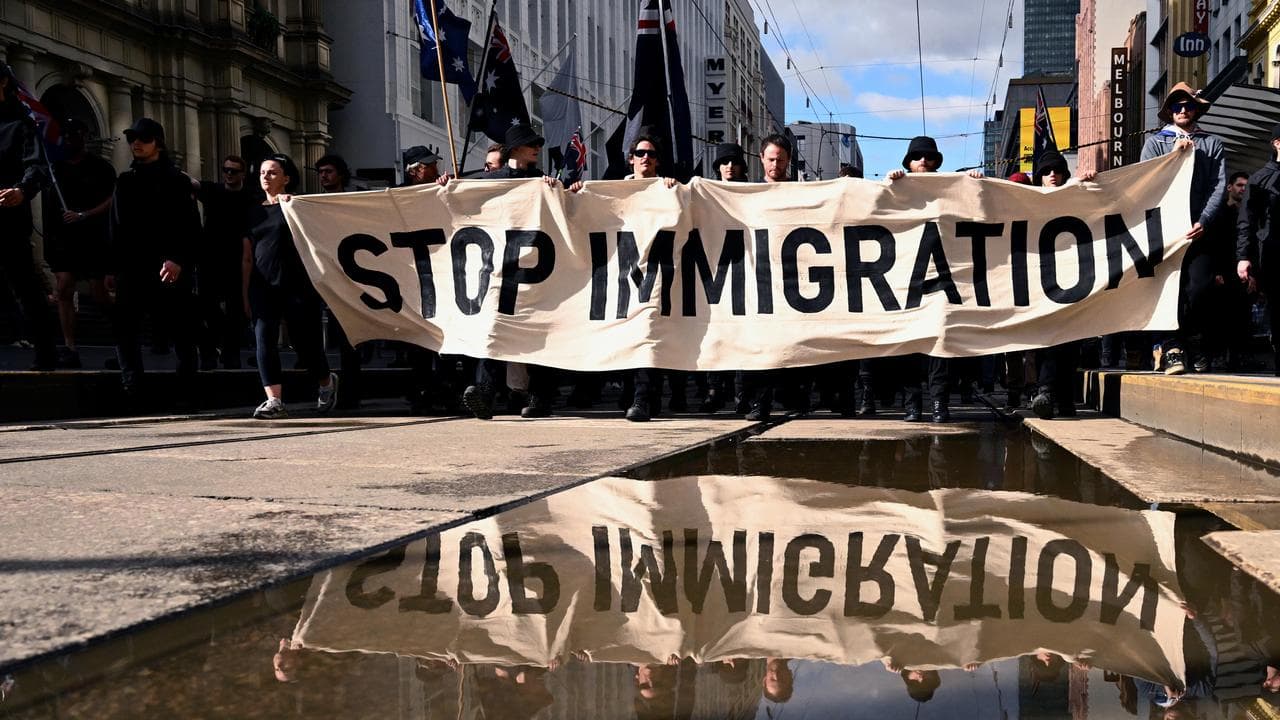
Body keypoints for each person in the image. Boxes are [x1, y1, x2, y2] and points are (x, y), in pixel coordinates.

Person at [456, 123, 566, 419]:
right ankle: (485, 392)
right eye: (531, 144)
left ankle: (540, 397)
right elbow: (459, 196)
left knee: (539, 333)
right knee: (493, 328)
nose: (537, 148)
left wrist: (568, 191)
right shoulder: (491, 180)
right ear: (515, 149)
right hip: (501, 271)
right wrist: (446, 185)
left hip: (538, 270)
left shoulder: (543, 182)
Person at [108, 117, 200, 403]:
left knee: (181, 330)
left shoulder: (176, 180)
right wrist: (111, 267)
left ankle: (187, 390)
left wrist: (178, 260)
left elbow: (191, 227)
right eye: (132, 138)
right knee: (125, 328)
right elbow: (116, 226)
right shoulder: (126, 181)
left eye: (143, 139)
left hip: (169, 268)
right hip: (132, 267)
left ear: (157, 143)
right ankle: (132, 387)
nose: (136, 143)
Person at [1141, 82, 1228, 375]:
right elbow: (1144, 182)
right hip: (1167, 232)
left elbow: (1219, 185)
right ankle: (1171, 348)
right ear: (1169, 112)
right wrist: (1172, 158)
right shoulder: (1156, 143)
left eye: (1187, 105)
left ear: (1195, 109)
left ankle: (1196, 341)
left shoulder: (1212, 143)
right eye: (1177, 106)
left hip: (1200, 231)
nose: (1182, 110)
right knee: (1169, 290)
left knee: (1200, 288)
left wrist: (1204, 220)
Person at [243, 153, 337, 419]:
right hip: (263, 286)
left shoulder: (298, 206)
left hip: (297, 285)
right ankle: (274, 400)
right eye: (262, 172)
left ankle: (326, 382)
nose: (266, 177)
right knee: (264, 340)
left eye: (272, 172)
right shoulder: (253, 212)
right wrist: (245, 293)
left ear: (286, 178)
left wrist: (294, 207)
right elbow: (247, 255)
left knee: (305, 344)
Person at [886, 135, 954, 422]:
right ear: (908, 163)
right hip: (906, 280)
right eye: (917, 157)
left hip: (940, 281)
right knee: (910, 346)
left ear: (936, 162)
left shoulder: (952, 188)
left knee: (940, 345)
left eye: (928, 157)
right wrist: (890, 185)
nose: (922, 161)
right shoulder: (898, 189)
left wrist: (977, 181)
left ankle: (939, 403)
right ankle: (912, 404)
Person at [43, 117, 115, 369]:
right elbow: (50, 206)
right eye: (67, 134)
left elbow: (112, 200)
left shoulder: (101, 168)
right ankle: (70, 347)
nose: (71, 139)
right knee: (63, 288)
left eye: (76, 134)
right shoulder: (56, 168)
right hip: (64, 240)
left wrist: (85, 214)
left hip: (93, 238)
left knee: (99, 294)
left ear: (85, 137)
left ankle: (122, 337)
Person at [619, 134, 680, 422]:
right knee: (628, 337)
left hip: (656, 274)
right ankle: (641, 395)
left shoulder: (666, 188)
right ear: (631, 158)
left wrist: (674, 190)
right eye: (641, 153)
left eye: (652, 154)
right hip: (622, 274)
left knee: (648, 333)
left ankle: (642, 398)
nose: (646, 158)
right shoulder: (614, 189)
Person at [0, 65, 57, 370]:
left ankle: (46, 354)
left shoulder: (21, 124)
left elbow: (37, 167)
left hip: (8, 220)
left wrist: (22, 190)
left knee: (25, 289)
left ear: (4, 82)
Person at [1028, 150, 1090, 419]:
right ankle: (1047, 392)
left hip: (1073, 279)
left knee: (1070, 341)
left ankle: (1062, 397)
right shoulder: (1026, 202)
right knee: (1047, 338)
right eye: (1046, 171)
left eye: (1057, 170)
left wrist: (1090, 183)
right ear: (1039, 176)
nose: (1052, 175)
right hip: (1040, 282)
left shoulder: (1076, 197)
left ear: (1065, 173)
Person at [192, 154, 257, 370]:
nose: (229, 174)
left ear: (242, 173)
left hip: (237, 260)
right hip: (209, 258)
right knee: (206, 306)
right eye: (226, 170)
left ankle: (231, 353)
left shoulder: (250, 197)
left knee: (236, 310)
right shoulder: (213, 190)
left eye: (234, 171)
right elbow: (191, 183)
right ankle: (209, 351)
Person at [315, 153, 365, 410]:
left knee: (351, 340)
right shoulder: (311, 205)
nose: (324, 176)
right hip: (326, 277)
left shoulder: (352, 202)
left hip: (353, 278)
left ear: (341, 174)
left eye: (329, 171)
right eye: (321, 172)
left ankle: (351, 392)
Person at [1238, 124, 1280, 376]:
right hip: (1273, 253)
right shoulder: (1259, 179)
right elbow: (1247, 222)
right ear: (1277, 143)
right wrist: (1243, 258)